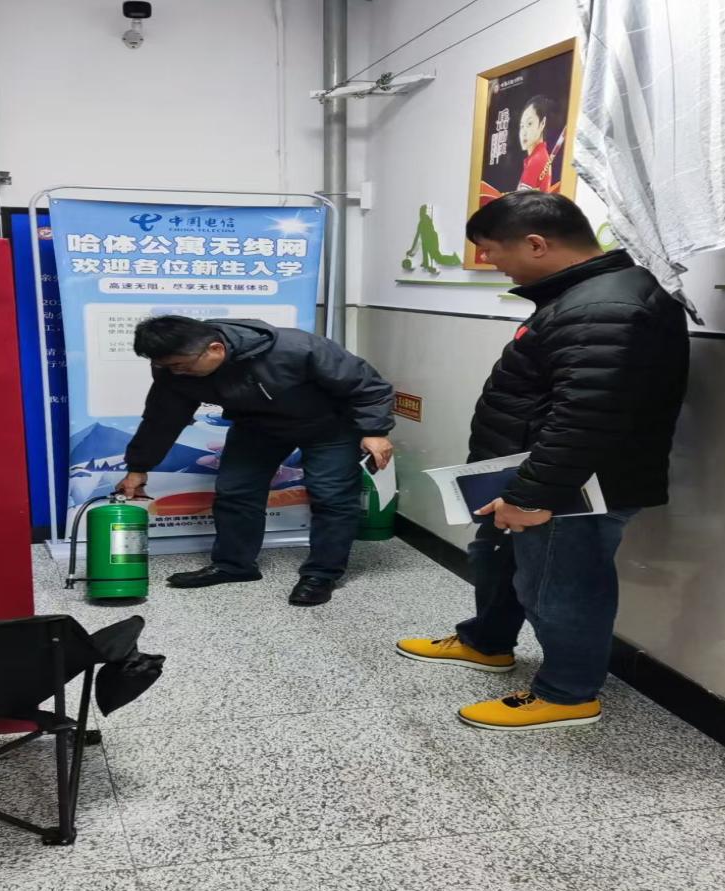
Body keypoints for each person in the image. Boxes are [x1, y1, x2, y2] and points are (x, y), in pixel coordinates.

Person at [397, 192, 689, 730]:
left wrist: (532, 495)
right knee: (498, 559)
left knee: (561, 588)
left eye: (492, 251)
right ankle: (486, 643)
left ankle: (568, 695)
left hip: (570, 489)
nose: (491, 263)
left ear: (536, 244)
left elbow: (586, 417)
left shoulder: (606, 307)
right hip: (529, 475)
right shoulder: (586, 297)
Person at [117, 316, 395, 606]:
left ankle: (321, 575)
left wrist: (375, 431)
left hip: (330, 426)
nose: (177, 372)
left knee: (331, 497)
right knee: (236, 490)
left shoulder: (296, 348)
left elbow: (369, 387)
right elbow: (162, 418)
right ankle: (234, 565)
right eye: (168, 366)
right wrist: (139, 466)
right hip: (258, 426)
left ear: (215, 349)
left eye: (181, 365)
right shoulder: (173, 368)